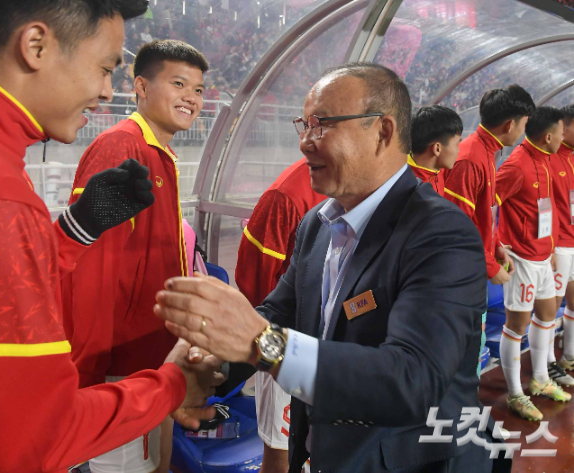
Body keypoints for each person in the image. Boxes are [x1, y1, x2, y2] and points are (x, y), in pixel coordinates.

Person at [0, 2, 222, 472]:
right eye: (103, 68)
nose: (105, 91)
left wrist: (73, 233)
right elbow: (33, 442)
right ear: (35, 46)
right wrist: (174, 383)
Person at [155, 63, 503, 473]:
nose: (305, 142)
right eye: (303, 125)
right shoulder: (318, 223)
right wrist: (210, 363)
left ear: (383, 132)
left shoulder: (441, 233)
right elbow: (280, 312)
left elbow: (414, 380)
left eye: (322, 125)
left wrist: (262, 343)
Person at [62, 39, 208, 473]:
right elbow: (90, 269)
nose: (191, 98)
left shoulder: (157, 152)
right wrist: (87, 371)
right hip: (117, 366)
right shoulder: (120, 148)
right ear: (141, 86)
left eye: (199, 90)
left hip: (148, 356)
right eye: (179, 83)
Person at [235, 158, 325, 473]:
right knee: (281, 450)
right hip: (287, 344)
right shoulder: (286, 196)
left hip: (335, 348)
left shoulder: (367, 187)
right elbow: (256, 283)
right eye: (311, 125)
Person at [495, 106, 572, 422]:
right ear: (550, 136)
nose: (564, 137)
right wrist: (497, 244)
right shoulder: (517, 164)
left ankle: (540, 377)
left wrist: (552, 244)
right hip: (523, 258)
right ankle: (515, 393)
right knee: (517, 325)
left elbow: (548, 208)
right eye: (561, 132)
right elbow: (489, 203)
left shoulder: (545, 159)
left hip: (544, 254)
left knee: (547, 314)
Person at [444, 85, 535, 286]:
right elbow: (457, 225)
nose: (523, 131)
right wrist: (490, 266)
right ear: (510, 125)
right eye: (524, 124)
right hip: (460, 270)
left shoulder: (487, 151)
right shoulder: (470, 160)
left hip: (475, 261)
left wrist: (496, 247)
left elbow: (482, 213)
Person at [552, 104, 574, 380]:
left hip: (572, 238)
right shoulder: (550, 157)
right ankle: (547, 366)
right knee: (550, 307)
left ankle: (569, 355)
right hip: (557, 243)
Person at [408, 105, 463, 196]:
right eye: (456, 144)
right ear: (437, 149)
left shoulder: (436, 171)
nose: (458, 150)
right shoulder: (410, 191)